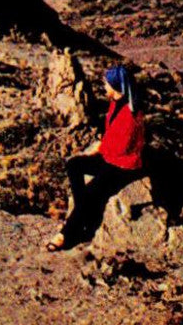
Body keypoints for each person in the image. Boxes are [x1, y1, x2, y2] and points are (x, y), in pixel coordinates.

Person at [46, 65, 145, 251]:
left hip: (122, 165)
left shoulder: (131, 115)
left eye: (106, 84)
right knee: (74, 165)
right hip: (110, 157)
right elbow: (110, 134)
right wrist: (99, 147)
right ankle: (82, 215)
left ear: (116, 88)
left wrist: (98, 149)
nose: (104, 87)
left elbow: (121, 148)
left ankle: (66, 234)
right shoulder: (116, 103)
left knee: (92, 192)